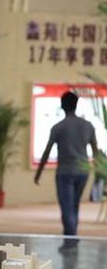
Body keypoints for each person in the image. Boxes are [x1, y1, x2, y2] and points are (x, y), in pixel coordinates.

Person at [34, 90, 100, 249]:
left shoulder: (58, 127)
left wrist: (39, 172)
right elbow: (95, 150)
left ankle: (70, 238)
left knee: (66, 206)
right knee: (75, 204)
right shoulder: (88, 126)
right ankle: (71, 235)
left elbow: (47, 151)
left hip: (64, 172)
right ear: (76, 105)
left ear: (62, 106)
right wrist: (99, 171)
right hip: (83, 172)